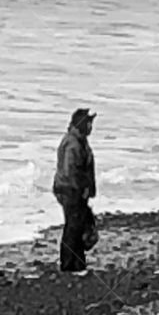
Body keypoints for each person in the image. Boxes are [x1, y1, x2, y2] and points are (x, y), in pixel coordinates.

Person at [52, 108, 96, 273]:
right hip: (70, 189)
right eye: (89, 123)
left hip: (71, 188)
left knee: (75, 226)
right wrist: (82, 189)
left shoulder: (78, 140)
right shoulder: (73, 143)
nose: (91, 127)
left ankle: (76, 263)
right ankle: (69, 265)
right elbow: (71, 170)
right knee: (73, 227)